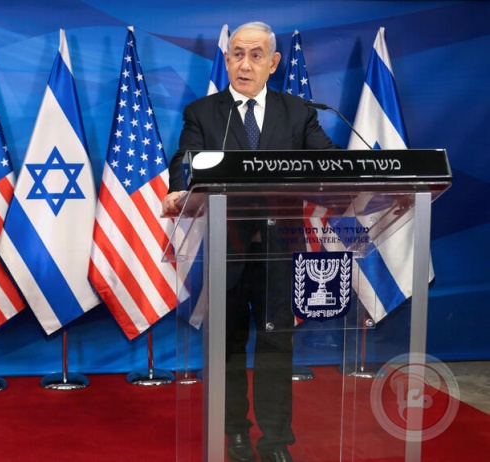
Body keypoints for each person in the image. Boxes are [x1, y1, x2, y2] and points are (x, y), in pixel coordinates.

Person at [162, 21, 337, 462]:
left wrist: (354, 179)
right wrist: (179, 189)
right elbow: (186, 161)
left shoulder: (297, 112)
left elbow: (330, 163)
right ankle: (235, 434)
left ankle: (275, 442)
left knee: (277, 346)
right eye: (237, 54)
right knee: (229, 346)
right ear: (226, 60)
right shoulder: (203, 113)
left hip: (280, 250)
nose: (245, 64)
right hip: (229, 249)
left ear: (273, 63)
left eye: (256, 55)